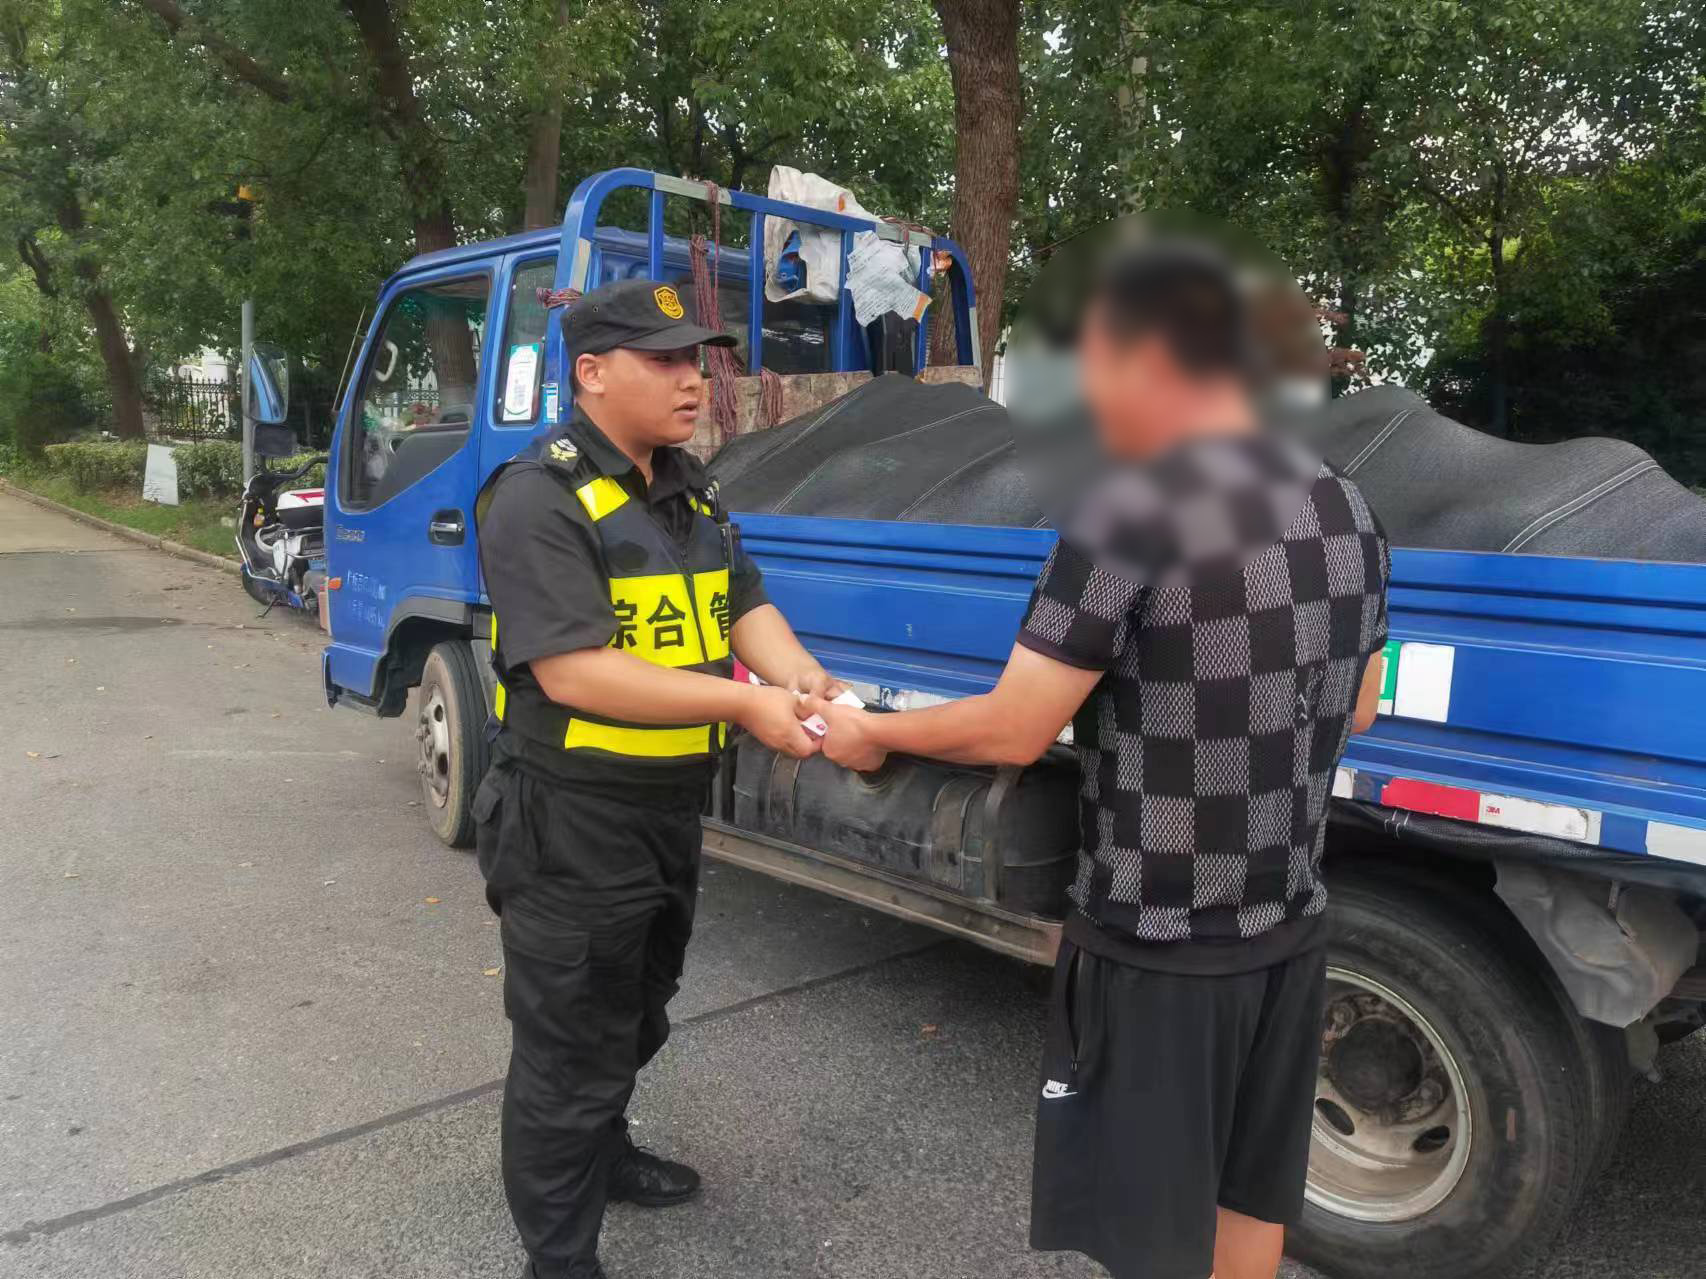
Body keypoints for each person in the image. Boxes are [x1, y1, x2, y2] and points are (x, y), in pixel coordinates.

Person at [802, 244, 1390, 1279]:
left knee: (1147, 1232)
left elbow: (1014, 728)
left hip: (1158, 944)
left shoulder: (1127, 513)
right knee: (1248, 1195)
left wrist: (875, 733)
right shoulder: (1347, 505)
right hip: (1288, 932)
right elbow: (1363, 705)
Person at [473, 277, 839, 1279]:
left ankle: (604, 1150)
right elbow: (573, 670)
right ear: (592, 372)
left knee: (634, 1007)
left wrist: (799, 677)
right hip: (571, 817)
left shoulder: (689, 484)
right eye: (666, 360)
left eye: (696, 359)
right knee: (568, 1043)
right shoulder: (538, 495)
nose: (693, 380)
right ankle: (559, 1258)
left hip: (664, 811)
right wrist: (745, 706)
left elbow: (740, 603)